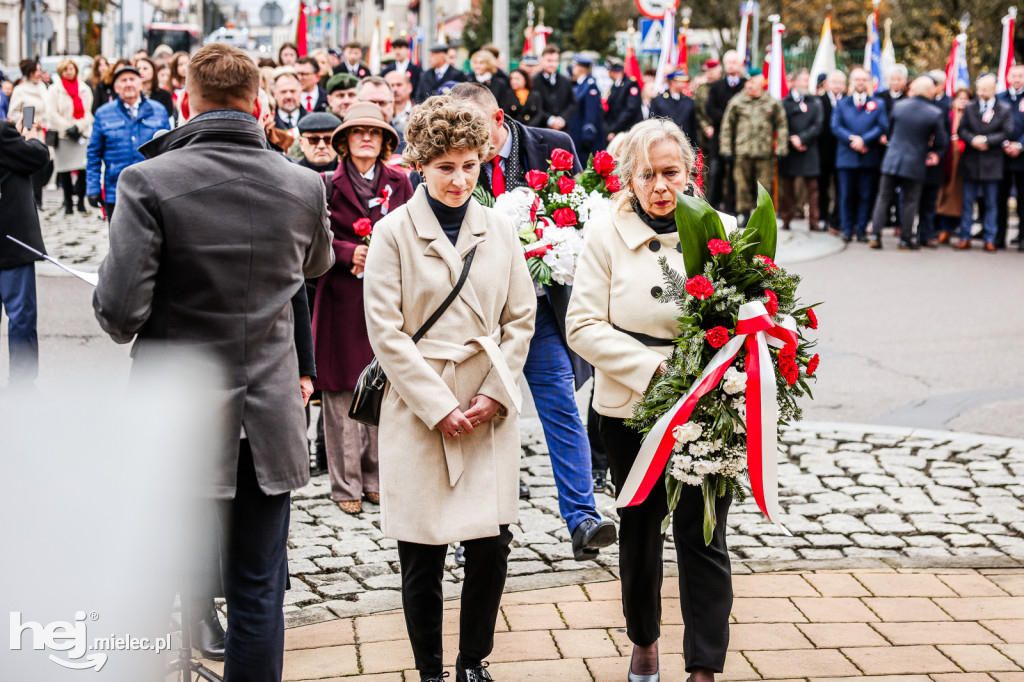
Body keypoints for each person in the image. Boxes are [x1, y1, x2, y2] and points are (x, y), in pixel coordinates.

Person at [92, 43, 334, 681]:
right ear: (256, 101)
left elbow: (118, 317)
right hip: (268, 412)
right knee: (258, 587)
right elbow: (314, 268)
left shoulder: (148, 181)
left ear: (188, 101)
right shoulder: (302, 183)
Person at [362, 95, 536, 682]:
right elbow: (385, 333)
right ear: (420, 165)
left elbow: (520, 320)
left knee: (490, 548)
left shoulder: (501, 230)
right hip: (417, 408)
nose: (460, 179)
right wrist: (438, 407)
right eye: (445, 167)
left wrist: (493, 392)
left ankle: (472, 662)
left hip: (489, 404)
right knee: (423, 551)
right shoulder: (392, 234)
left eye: (469, 164)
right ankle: (430, 669)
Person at [566, 118, 737, 682]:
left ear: (691, 174)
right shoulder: (603, 234)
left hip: (707, 407)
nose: (661, 186)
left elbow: (749, 317)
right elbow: (583, 326)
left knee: (703, 530)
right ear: (628, 179)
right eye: (648, 175)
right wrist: (658, 370)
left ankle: (705, 663)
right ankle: (644, 639)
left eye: (672, 173)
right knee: (640, 529)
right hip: (631, 408)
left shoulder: (724, 230)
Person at [451, 82, 615, 560]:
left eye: (476, 131)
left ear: (499, 120)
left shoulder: (553, 147)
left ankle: (583, 518)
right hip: (480, 316)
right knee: (477, 417)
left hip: (542, 309)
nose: (468, 143)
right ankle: (474, 530)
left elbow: (587, 215)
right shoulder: (454, 160)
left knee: (561, 405)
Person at [312, 103, 413, 514]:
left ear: (387, 140)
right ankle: (344, 484)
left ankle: (375, 478)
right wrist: (348, 252)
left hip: (388, 300)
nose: (367, 138)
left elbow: (412, 229)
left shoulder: (401, 182)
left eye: (375, 132)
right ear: (345, 141)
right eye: (358, 133)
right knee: (340, 396)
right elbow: (315, 238)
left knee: (383, 388)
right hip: (340, 299)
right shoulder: (325, 183)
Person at [869, 76, 949, 250]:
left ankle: (875, 235)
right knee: (910, 201)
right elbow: (942, 141)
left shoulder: (899, 106)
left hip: (892, 160)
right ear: (930, 92)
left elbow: (889, 133)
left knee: (883, 198)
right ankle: (905, 239)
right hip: (915, 162)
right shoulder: (934, 113)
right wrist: (931, 147)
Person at [0, 118, 49, 387]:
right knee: (20, 315)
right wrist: (30, 137)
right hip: (9, 240)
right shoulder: (3, 131)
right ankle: (21, 384)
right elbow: (36, 158)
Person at [86, 65, 171, 219]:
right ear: (116, 88)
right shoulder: (104, 113)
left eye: (132, 79)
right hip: (116, 190)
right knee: (119, 240)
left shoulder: (158, 111)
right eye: (123, 80)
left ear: (140, 84)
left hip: (152, 190)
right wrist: (93, 188)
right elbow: (94, 154)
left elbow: (168, 151)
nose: (128, 84)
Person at [720, 69, 788, 222]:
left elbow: (782, 125)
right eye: (748, 82)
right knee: (741, 185)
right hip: (742, 151)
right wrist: (726, 149)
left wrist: (782, 148)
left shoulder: (771, 102)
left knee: (764, 187)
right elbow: (727, 127)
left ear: (760, 84)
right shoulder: (737, 101)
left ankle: (763, 216)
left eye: (753, 82)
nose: (749, 85)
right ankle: (743, 213)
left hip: (764, 152)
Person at [956, 74, 1014, 252]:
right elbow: (961, 129)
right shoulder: (970, 107)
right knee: (967, 202)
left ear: (993, 90)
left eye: (984, 89)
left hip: (992, 162)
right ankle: (965, 236)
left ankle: (990, 238)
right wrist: (973, 139)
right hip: (971, 161)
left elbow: (1007, 131)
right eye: (978, 89)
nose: (979, 92)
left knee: (991, 203)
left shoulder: (1004, 109)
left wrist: (987, 140)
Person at [831, 67, 887, 242]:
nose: (860, 82)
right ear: (851, 82)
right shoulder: (842, 104)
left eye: (863, 79)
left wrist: (864, 140)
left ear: (868, 82)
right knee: (846, 195)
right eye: (857, 79)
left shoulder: (878, 104)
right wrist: (852, 140)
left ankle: (861, 229)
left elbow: (882, 126)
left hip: (868, 157)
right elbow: (836, 126)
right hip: (846, 158)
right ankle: (847, 229)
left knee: (865, 195)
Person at [46, 58, 94, 216]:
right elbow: (52, 114)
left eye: (71, 68)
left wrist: (78, 126)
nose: (69, 71)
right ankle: (67, 202)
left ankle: (80, 201)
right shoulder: (54, 90)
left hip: (81, 134)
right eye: (66, 69)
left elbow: (88, 113)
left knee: (83, 169)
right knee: (64, 171)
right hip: (63, 135)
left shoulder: (84, 89)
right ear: (61, 72)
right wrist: (68, 127)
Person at [779, 69, 823, 230]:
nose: (806, 83)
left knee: (812, 189)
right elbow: (781, 124)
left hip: (809, 149)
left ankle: (814, 221)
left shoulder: (815, 102)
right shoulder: (785, 102)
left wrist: (803, 139)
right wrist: (793, 139)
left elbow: (818, 125)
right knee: (788, 188)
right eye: (804, 80)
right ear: (795, 82)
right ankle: (786, 219)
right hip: (790, 150)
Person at [704, 50, 745, 212]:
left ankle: (732, 208)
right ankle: (713, 206)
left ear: (740, 64)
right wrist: (726, 119)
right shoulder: (716, 87)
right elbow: (710, 108)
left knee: (736, 175)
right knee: (716, 172)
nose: (731, 65)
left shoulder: (744, 85)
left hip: (739, 138)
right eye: (728, 62)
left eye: (734, 62)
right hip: (719, 138)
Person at [8, 59, 51, 208]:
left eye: (40, 69)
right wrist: (27, 122)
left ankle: (38, 197)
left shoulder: (43, 88)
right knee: (31, 165)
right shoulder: (20, 90)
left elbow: (48, 109)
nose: (40, 73)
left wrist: (43, 122)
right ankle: (32, 198)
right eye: (36, 70)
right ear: (30, 71)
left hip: (42, 130)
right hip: (27, 131)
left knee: (45, 164)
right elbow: (12, 113)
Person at [936, 88, 972, 242]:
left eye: (966, 98)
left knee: (958, 195)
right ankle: (943, 228)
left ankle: (956, 228)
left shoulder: (972, 115)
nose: (962, 101)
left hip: (964, 161)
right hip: (946, 158)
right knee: (943, 193)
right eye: (959, 98)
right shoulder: (947, 115)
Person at [996, 64, 1024, 250]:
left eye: (1020, 76)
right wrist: (1004, 143)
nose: (1016, 79)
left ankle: (1022, 237)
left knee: (1023, 200)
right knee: (1000, 199)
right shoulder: (1000, 99)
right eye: (1013, 75)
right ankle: (999, 237)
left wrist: (1021, 145)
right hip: (1001, 157)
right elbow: (995, 125)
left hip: (1022, 157)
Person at [568, 54, 606, 160]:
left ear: (580, 69)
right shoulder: (582, 84)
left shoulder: (590, 86)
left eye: (575, 66)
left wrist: (587, 135)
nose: (573, 69)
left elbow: (591, 112)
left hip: (586, 138)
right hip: (578, 133)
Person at [650, 69, 698, 147]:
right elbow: (653, 124)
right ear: (672, 82)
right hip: (665, 144)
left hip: (685, 144)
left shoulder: (689, 101)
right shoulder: (659, 100)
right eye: (681, 81)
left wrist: (695, 147)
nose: (684, 84)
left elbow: (693, 126)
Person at [533, 45, 575, 131]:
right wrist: (549, 120)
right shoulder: (533, 82)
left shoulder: (566, 81)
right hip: (541, 130)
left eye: (555, 61)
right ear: (541, 61)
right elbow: (533, 106)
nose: (552, 64)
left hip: (563, 130)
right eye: (549, 60)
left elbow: (572, 103)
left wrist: (562, 119)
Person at [605, 58, 643, 142]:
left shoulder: (630, 84)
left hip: (627, 129)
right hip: (617, 129)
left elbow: (630, 110)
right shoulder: (615, 85)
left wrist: (614, 129)